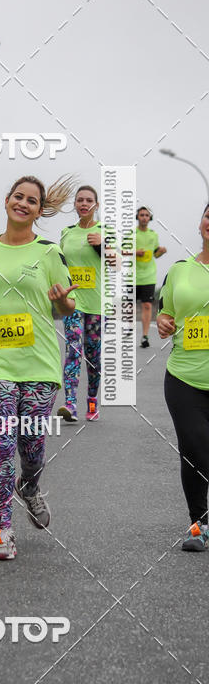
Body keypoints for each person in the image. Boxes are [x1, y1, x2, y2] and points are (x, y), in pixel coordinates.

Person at [0, 175, 77, 560]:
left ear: (40, 211)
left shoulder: (50, 253)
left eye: (31, 201)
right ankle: (3, 531)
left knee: (32, 446)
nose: (23, 203)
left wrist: (63, 301)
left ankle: (30, 486)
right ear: (6, 200)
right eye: (18, 197)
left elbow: (66, 306)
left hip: (39, 363)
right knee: (3, 444)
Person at [157, 202, 209, 551]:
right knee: (194, 449)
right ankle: (199, 525)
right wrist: (163, 323)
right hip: (184, 378)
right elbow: (167, 314)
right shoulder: (179, 271)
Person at [57, 185, 106, 423]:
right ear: (75, 204)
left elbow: (119, 265)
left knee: (93, 356)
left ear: (96, 205)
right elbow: (59, 265)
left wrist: (102, 246)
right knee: (73, 351)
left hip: (97, 305)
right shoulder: (66, 233)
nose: (84, 204)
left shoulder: (106, 231)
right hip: (72, 303)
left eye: (88, 200)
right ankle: (70, 404)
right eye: (80, 200)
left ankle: (92, 400)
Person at [136, 206, 166, 348]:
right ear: (137, 217)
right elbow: (122, 251)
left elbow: (155, 254)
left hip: (148, 276)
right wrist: (135, 252)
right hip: (132, 276)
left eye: (146, 215)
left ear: (150, 218)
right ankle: (128, 328)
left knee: (147, 305)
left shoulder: (153, 235)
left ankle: (145, 336)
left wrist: (161, 251)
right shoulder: (131, 234)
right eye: (141, 215)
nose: (144, 217)